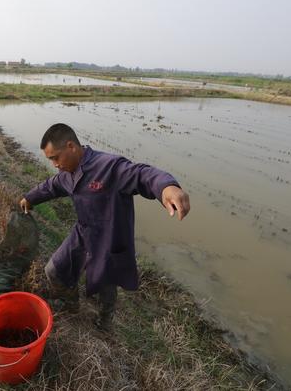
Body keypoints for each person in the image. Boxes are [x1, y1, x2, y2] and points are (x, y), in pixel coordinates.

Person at [19, 123, 190, 332]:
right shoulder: (67, 173)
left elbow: (142, 174)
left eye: (55, 157)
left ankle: (105, 321)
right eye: (50, 160)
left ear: (71, 146)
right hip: (82, 234)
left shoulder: (109, 166)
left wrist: (166, 187)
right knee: (53, 271)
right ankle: (70, 302)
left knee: (105, 289)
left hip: (108, 241)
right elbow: (51, 186)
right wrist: (30, 198)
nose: (54, 164)